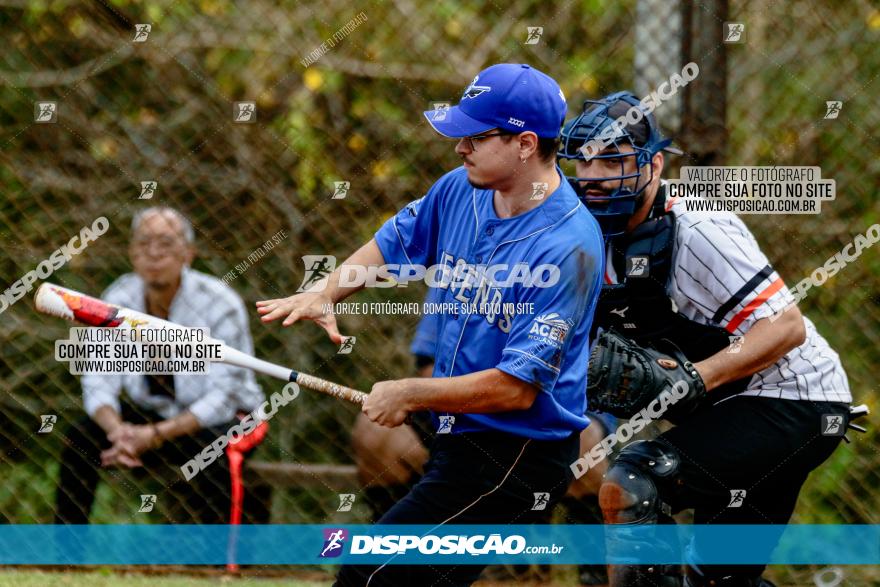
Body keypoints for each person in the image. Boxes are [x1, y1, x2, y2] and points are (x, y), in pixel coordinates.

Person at [257, 63, 605, 586]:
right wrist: (326, 292)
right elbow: (393, 243)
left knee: (372, 574)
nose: (459, 147)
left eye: (475, 136)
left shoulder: (568, 244)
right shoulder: (459, 191)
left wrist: (410, 393)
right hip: (459, 434)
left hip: (514, 456)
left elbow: (516, 390)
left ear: (526, 144)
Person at [557, 92, 853, 586]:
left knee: (633, 482)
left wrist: (696, 377)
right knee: (717, 579)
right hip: (732, 410)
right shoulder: (590, 240)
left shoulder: (698, 226)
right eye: (583, 163)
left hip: (795, 401)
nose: (593, 177)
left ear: (653, 164)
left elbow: (786, 326)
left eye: (612, 160)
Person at [55, 206, 266, 524]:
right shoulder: (117, 298)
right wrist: (119, 432)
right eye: (144, 243)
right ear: (131, 254)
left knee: (213, 451)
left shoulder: (219, 303)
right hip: (150, 417)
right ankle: (65, 560)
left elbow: (223, 397)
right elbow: (97, 380)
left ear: (188, 254)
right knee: (81, 437)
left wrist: (154, 436)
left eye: (166, 243)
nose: (154, 253)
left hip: (225, 419)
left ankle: (219, 568)